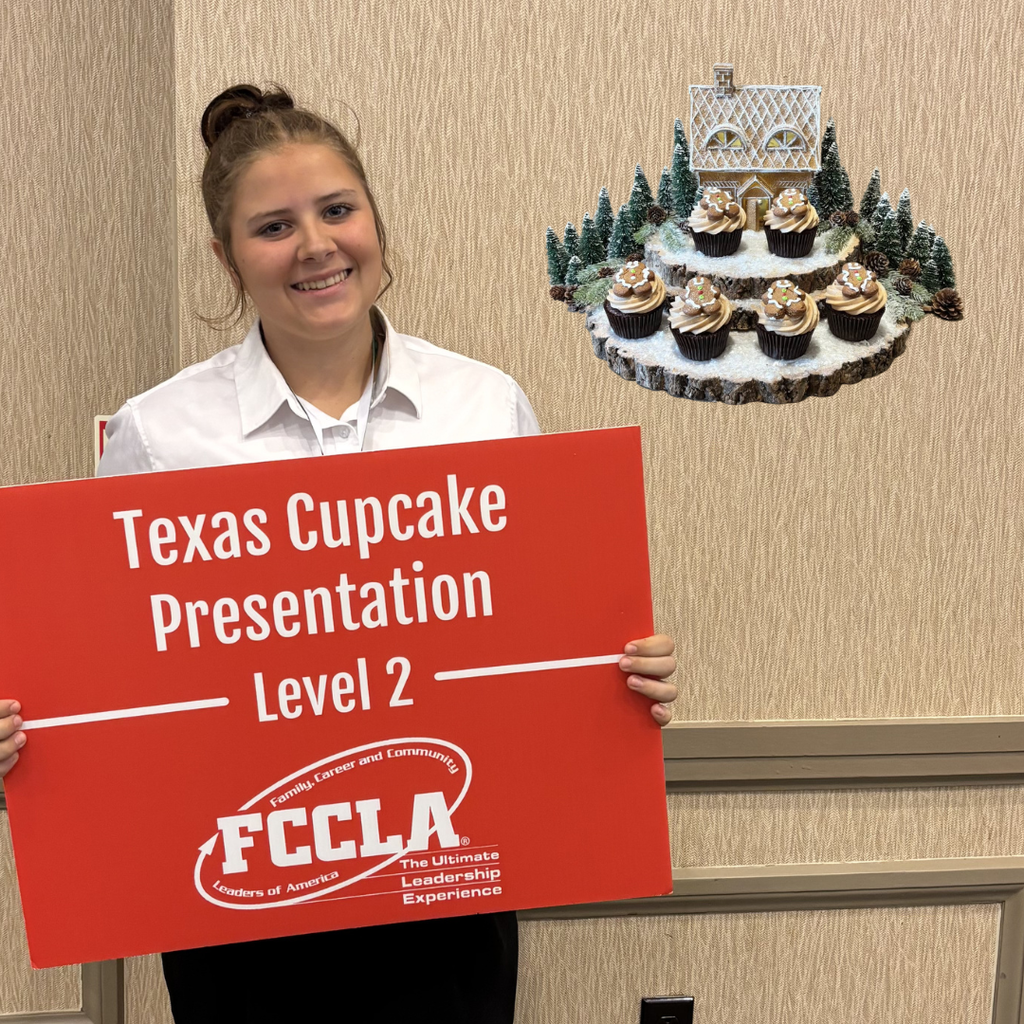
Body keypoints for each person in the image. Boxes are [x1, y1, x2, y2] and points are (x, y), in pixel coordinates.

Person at [0, 85, 677, 1023]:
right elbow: (111, 672)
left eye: (337, 210)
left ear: (374, 221)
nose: (316, 245)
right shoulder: (159, 434)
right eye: (273, 226)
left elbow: (529, 629)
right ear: (227, 258)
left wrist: (613, 674)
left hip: (448, 885)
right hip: (239, 903)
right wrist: (38, 736)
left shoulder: (482, 406)